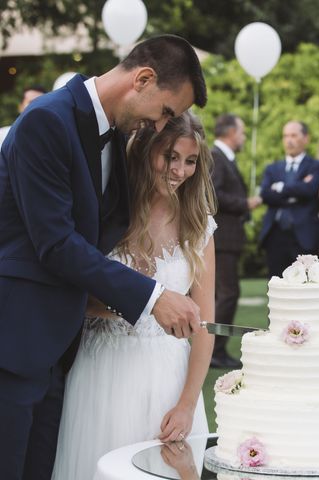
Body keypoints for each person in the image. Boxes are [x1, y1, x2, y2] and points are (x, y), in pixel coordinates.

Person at [0, 34, 207, 480]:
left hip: (63, 351)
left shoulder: (112, 136)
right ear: (144, 79)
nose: (161, 124)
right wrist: (153, 297)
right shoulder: (47, 121)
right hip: (15, 345)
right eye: (166, 111)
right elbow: (55, 243)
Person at [52, 111, 216, 479]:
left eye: (190, 161)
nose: (179, 170)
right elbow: (74, 295)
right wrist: (141, 305)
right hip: (101, 373)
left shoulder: (198, 224)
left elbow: (204, 325)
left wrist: (188, 404)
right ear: (145, 152)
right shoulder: (107, 215)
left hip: (169, 381)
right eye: (170, 157)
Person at [210, 114, 261, 369]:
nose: (243, 137)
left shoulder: (224, 158)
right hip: (222, 238)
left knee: (226, 293)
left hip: (227, 239)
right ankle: (214, 350)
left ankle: (215, 349)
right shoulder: (217, 158)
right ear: (230, 132)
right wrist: (245, 203)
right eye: (241, 132)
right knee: (228, 294)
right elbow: (213, 194)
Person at [259, 121, 319, 277]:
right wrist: (297, 191)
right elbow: (266, 195)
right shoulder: (272, 168)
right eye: (286, 136)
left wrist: (281, 188)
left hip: (304, 236)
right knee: (277, 287)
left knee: (307, 285)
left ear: (306, 138)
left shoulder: (316, 166)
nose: (289, 140)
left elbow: (310, 190)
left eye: (294, 135)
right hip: (275, 236)